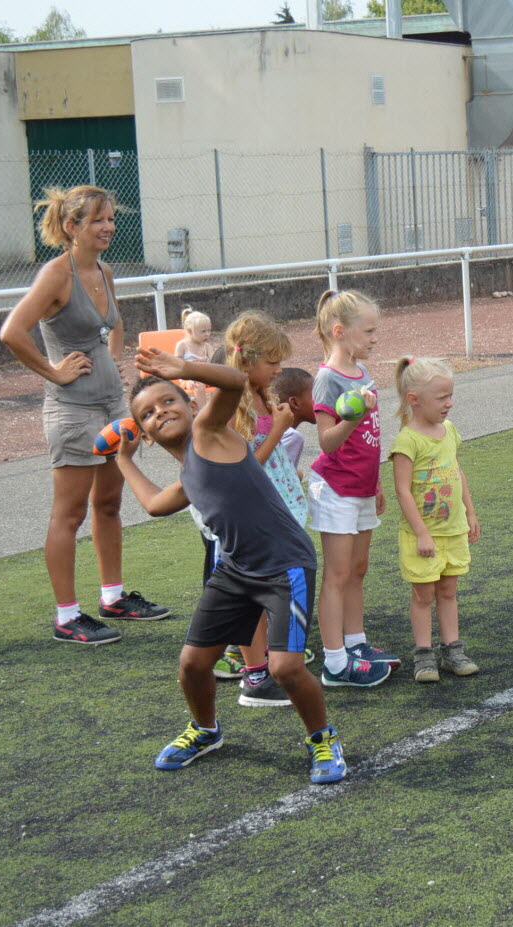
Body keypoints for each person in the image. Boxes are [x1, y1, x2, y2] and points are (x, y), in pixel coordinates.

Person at [118, 351, 347, 783]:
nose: (159, 413)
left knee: (285, 669)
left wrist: (182, 369)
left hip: (284, 565)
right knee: (192, 663)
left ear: (189, 407)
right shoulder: (188, 474)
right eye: (147, 414)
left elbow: (232, 382)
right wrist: (123, 460)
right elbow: (152, 505)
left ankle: (323, 738)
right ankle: (205, 730)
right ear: (145, 434)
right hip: (237, 570)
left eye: (168, 402)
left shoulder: (209, 432)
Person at [0, 184, 168, 646]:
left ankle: (112, 597)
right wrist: (52, 373)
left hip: (112, 405)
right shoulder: (57, 274)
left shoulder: (105, 271)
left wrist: (115, 362)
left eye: (111, 218)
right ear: (72, 227)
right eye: (98, 220)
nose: (108, 226)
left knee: (109, 504)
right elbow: (12, 331)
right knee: (68, 514)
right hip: (72, 412)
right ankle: (66, 616)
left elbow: (114, 325)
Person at [310, 289, 398, 687]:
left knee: (358, 570)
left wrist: (375, 482)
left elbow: (370, 439)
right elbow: (327, 441)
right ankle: (334, 663)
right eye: (369, 331)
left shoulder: (362, 374)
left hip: (360, 487)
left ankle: (356, 644)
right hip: (335, 488)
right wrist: (353, 413)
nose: (374, 338)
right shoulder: (327, 378)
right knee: (338, 574)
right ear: (340, 331)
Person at [222, 311, 310, 707]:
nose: (278, 370)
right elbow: (245, 467)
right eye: (272, 363)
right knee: (251, 593)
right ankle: (255, 673)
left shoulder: (260, 394)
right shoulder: (230, 403)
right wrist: (276, 431)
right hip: (250, 510)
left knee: (271, 586)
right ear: (248, 360)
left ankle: (269, 660)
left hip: (272, 504)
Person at [390, 357, 482, 682]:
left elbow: (457, 472)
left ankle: (452, 650)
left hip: (452, 531)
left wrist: (470, 511)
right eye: (441, 397)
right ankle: (424, 656)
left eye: (450, 395)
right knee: (423, 596)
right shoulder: (407, 441)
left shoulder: (449, 431)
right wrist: (421, 533)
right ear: (414, 399)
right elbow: (402, 491)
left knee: (448, 591)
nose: (449, 403)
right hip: (423, 537)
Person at [175, 306, 215, 409]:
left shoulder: (207, 347)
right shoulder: (182, 346)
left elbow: (215, 364)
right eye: (203, 331)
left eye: (209, 330)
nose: (207, 334)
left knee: (220, 382)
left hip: (204, 376)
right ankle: (203, 412)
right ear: (189, 331)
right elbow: (177, 365)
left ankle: (215, 408)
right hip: (188, 377)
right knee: (199, 385)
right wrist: (187, 380)